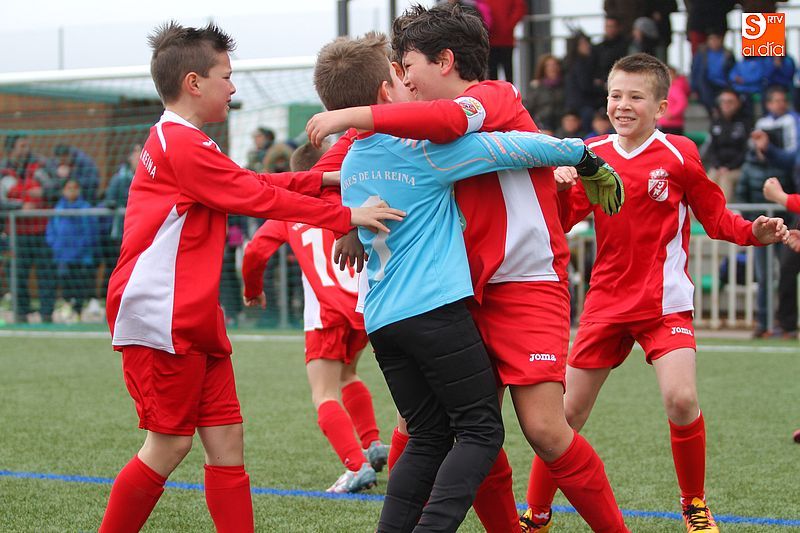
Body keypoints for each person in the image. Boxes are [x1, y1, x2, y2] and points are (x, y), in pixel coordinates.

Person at [306, 5, 629, 532]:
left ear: (446, 61)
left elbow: (449, 122)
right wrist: (343, 219)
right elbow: (326, 171)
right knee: (451, 431)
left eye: (408, 65)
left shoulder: (492, 96)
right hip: (460, 292)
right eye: (397, 71)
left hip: (525, 284)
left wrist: (354, 115)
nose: (404, 78)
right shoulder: (406, 122)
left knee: (544, 430)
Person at [99, 21, 404, 533]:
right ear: (194, 82)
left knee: (227, 443)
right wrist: (343, 214)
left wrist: (325, 178)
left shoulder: (184, 139)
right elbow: (256, 197)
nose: (233, 86)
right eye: (226, 76)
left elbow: (251, 181)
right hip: (160, 317)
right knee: (168, 445)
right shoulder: (179, 143)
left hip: (194, 316)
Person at [523, 53, 789, 533]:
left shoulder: (679, 153)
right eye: (615, 95)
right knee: (563, 416)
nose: (623, 105)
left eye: (635, 97)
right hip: (605, 303)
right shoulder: (591, 153)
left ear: (661, 106)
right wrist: (559, 186)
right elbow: (561, 221)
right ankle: (536, 514)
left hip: (664, 303)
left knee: (681, 399)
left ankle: (694, 505)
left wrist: (754, 231)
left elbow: (716, 218)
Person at [241, 141, 391, 494]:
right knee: (348, 374)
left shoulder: (291, 208)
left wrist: (252, 289)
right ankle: (371, 444)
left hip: (324, 314)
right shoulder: (351, 198)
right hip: (361, 307)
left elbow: (255, 252)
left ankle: (356, 466)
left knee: (323, 394)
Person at [737, 85, 799, 338]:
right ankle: (776, 324)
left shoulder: (786, 156)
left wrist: (781, 198)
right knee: (776, 273)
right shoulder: (751, 165)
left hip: (787, 220)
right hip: (773, 225)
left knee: (783, 270)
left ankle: (782, 324)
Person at [1, 134, 56, 323]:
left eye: (27, 145)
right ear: (11, 149)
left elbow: (57, 188)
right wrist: (19, 206)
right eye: (22, 146)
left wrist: (44, 192)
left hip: (42, 232)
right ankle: (21, 313)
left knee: (46, 274)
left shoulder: (40, 166)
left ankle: (47, 314)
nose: (26, 149)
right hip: (16, 234)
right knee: (17, 274)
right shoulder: (3, 172)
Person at [46, 178, 98, 321]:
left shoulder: (85, 208)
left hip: (81, 255)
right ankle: (68, 306)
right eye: (68, 188)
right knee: (65, 282)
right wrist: (56, 246)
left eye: (74, 188)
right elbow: (51, 231)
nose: (71, 191)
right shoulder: (58, 209)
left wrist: (81, 248)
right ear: (63, 190)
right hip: (63, 255)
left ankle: (78, 310)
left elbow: (91, 232)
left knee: (80, 283)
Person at [705, 89, 751, 201]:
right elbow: (711, 149)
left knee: (725, 179)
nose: (726, 105)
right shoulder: (715, 123)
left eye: (730, 101)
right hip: (718, 167)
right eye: (723, 101)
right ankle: (699, 211)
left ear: (738, 103)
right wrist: (718, 166)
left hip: (738, 167)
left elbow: (745, 151)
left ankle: (723, 211)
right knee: (708, 179)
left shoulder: (745, 124)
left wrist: (729, 167)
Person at [689, 32, 736, 116]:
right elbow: (695, 72)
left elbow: (733, 71)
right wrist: (693, 89)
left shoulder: (728, 54)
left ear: (721, 40)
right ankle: (714, 112)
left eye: (716, 39)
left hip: (723, 85)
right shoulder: (701, 54)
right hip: (706, 85)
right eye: (711, 39)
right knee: (705, 92)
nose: (714, 42)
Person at [484, 0, 526, 81]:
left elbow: (519, 8)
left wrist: (508, 26)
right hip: (490, 39)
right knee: (492, 73)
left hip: (505, 40)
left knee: (508, 73)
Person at [525, 54, 566, 133]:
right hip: (541, 126)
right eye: (548, 65)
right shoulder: (536, 87)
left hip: (561, 126)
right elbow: (528, 108)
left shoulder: (566, 85)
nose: (552, 68)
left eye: (554, 65)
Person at [657, 66, 689, 135]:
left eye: (669, 75)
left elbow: (682, 103)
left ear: (674, 76)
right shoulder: (662, 88)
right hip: (663, 123)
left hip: (673, 124)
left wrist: (672, 113)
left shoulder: (675, 88)